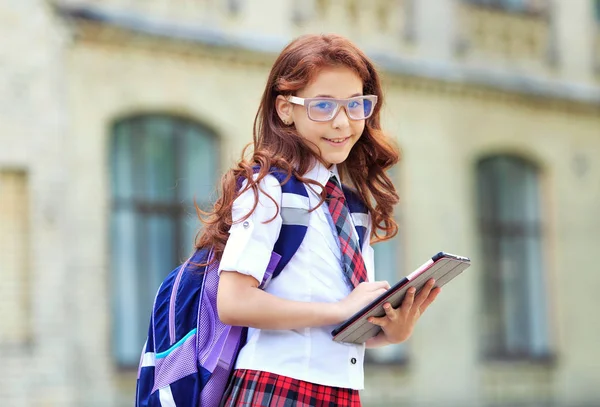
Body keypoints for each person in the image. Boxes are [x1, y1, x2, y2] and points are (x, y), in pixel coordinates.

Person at [195, 33, 441, 407]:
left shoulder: (351, 204)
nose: (343, 123)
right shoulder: (268, 189)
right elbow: (233, 302)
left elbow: (339, 326)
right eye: (323, 105)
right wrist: (340, 310)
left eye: (356, 105)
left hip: (341, 391)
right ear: (284, 109)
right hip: (275, 387)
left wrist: (390, 332)